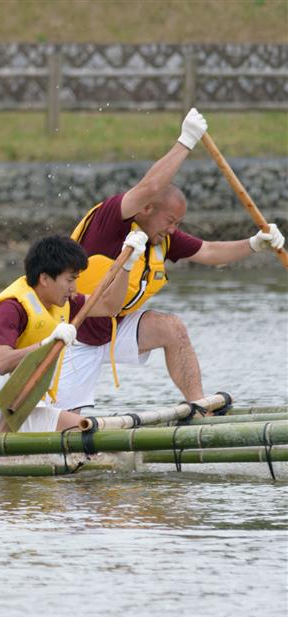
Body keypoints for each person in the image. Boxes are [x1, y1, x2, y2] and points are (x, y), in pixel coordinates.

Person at [55, 107, 285, 412]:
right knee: (65, 426)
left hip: (114, 328)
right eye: (171, 220)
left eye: (178, 223)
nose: (174, 229)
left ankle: (198, 408)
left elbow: (210, 252)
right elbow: (150, 186)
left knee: (172, 328)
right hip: (73, 334)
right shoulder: (112, 218)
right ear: (147, 209)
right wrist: (186, 140)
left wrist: (256, 244)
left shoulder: (160, 238)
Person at [0, 234, 146, 433]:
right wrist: (47, 343)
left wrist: (126, 267)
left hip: (17, 409)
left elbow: (109, 306)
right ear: (44, 278)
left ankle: (1, 453)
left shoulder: (63, 302)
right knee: (32, 366)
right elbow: (2, 363)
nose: (74, 288)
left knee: (84, 430)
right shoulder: (11, 307)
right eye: (70, 280)